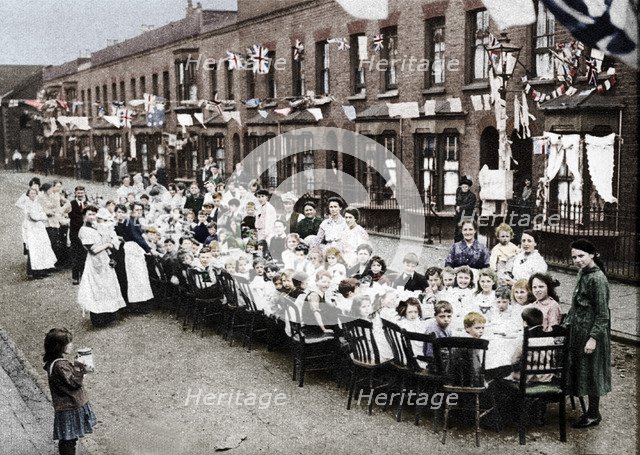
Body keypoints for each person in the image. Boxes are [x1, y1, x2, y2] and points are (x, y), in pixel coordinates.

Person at [564, 239, 611, 428]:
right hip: (579, 330)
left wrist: (593, 338)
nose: (577, 260)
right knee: (582, 369)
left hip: (592, 333)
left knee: (593, 372)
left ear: (592, 255)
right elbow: (577, 304)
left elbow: (602, 314)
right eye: (574, 256)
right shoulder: (583, 273)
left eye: (581, 256)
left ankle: (593, 414)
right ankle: (589, 411)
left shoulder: (598, 279)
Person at [43, 328, 97, 455]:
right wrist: (79, 369)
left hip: (63, 407)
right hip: (70, 406)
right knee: (69, 439)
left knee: (67, 437)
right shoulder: (61, 365)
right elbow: (74, 383)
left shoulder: (54, 362)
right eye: (68, 343)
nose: (71, 345)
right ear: (59, 347)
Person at [77, 206, 126, 326]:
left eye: (94, 214)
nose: (92, 217)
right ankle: (98, 319)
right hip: (94, 263)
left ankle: (108, 316)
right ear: (84, 216)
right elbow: (93, 250)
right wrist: (108, 244)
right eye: (89, 214)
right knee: (97, 288)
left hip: (104, 260)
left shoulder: (95, 228)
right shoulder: (84, 230)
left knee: (107, 287)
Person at [16, 188, 58, 278]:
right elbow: (34, 217)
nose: (33, 195)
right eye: (31, 193)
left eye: (34, 193)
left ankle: (43, 269)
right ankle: (35, 272)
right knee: (35, 249)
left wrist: (41, 216)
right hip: (32, 229)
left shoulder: (37, 204)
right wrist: (41, 216)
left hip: (40, 228)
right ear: (28, 194)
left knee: (43, 247)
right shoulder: (27, 205)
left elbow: (43, 215)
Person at [453, 176, 477, 242]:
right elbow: (457, 203)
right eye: (463, 187)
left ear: (469, 187)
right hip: (459, 215)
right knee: (458, 230)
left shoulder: (472, 196)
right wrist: (456, 208)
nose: (464, 188)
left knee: (469, 229)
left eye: (466, 187)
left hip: (469, 215)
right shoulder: (459, 194)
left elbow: (470, 205)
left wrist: (460, 207)